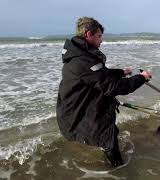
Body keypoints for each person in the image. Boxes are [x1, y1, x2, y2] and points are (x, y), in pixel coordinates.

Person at [56, 17, 152, 167]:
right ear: (88, 34)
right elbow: (116, 87)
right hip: (81, 111)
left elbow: (99, 76)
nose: (101, 40)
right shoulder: (83, 61)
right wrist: (142, 77)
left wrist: (121, 72)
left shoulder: (80, 56)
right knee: (108, 139)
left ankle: (112, 163)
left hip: (81, 106)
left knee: (109, 134)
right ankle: (119, 169)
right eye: (99, 36)